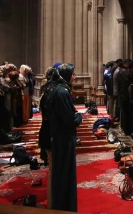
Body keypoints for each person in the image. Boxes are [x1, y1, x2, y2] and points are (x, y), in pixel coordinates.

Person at [46, 64, 83, 212]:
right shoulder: (62, 92)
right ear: (66, 75)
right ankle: (64, 207)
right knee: (64, 174)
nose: (75, 77)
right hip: (64, 137)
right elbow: (69, 119)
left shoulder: (56, 88)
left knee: (61, 172)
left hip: (59, 135)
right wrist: (79, 116)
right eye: (73, 74)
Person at [38, 67, 56, 207]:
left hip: (48, 131)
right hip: (51, 133)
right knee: (54, 168)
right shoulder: (52, 93)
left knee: (54, 167)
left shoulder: (48, 91)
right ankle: (53, 203)